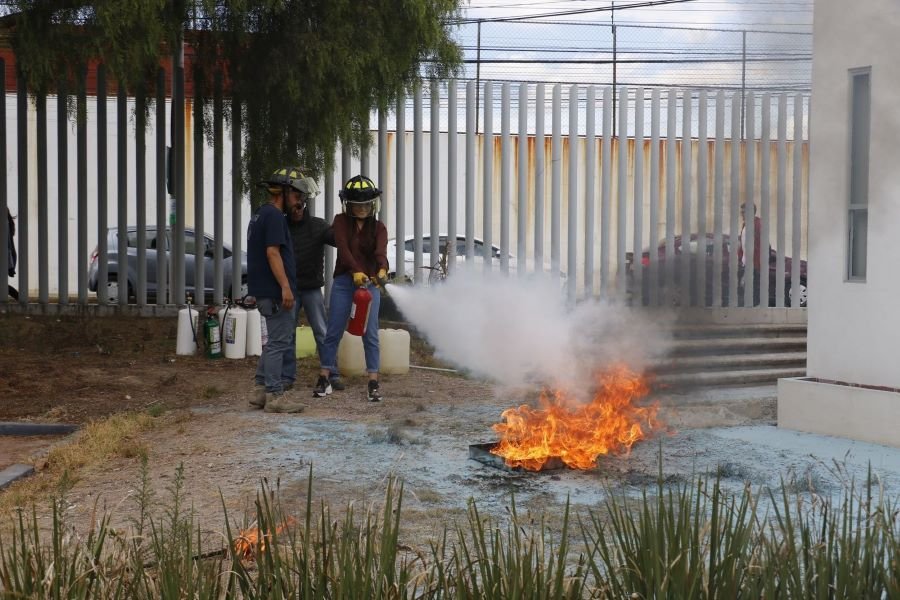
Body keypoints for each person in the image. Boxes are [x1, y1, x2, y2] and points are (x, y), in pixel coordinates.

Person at [315, 175, 389, 402]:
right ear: (348, 205)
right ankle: (324, 377)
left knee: (371, 334)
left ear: (372, 204)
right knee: (334, 331)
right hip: (344, 283)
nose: (361, 209)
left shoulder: (378, 227)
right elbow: (344, 250)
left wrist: (383, 270)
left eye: (365, 204)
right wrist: (356, 271)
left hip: (370, 286)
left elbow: (380, 253)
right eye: (356, 205)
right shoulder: (340, 222)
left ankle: (373, 383)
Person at [247, 167, 307, 414]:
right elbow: (272, 253)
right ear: (283, 192)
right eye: (296, 195)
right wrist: (285, 287)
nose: (300, 201)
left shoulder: (261, 214)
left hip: (265, 290)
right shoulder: (273, 216)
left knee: (274, 341)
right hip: (274, 291)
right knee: (279, 343)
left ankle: (260, 390)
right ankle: (274, 395)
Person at [285, 175, 345, 391]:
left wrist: (344, 223)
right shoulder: (282, 226)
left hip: (311, 288)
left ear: (305, 203)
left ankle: (332, 372)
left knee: (322, 331)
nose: (298, 208)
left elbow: (338, 240)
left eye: (301, 204)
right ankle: (287, 376)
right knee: (288, 333)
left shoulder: (318, 226)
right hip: (289, 289)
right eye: (295, 204)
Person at [738, 202, 763, 306]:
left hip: (754, 264)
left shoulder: (758, 224)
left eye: (743, 212)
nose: (741, 214)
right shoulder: (745, 224)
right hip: (745, 262)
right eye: (741, 212)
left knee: (752, 289)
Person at [6, 208, 17, 301]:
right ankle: (20, 298)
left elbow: (8, 247)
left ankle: (20, 298)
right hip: (8, 258)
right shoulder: (8, 223)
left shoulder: (5, 223)